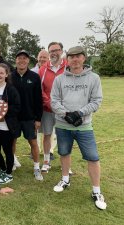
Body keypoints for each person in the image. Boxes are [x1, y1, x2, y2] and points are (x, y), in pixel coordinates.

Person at [51, 46, 106, 210]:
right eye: (71, 56)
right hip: (62, 124)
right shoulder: (59, 79)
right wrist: (67, 114)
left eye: (78, 56)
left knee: (92, 157)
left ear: (84, 58)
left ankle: (96, 191)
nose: (74, 59)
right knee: (64, 153)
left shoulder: (94, 78)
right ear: (67, 59)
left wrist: (79, 113)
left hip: (84, 126)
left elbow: (96, 101)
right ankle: (65, 179)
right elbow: (54, 100)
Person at [11, 50, 43, 181]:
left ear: (28, 61)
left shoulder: (34, 77)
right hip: (14, 117)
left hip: (29, 117)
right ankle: (12, 162)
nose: (22, 60)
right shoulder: (10, 76)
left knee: (33, 142)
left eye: (24, 58)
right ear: (16, 60)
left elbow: (38, 99)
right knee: (12, 141)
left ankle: (36, 167)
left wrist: (38, 118)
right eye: (19, 58)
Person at [38, 42, 68, 173]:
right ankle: (46, 161)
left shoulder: (68, 66)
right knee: (47, 135)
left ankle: (66, 164)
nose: (54, 53)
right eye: (51, 51)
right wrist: (49, 103)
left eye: (56, 50)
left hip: (65, 109)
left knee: (65, 136)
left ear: (61, 51)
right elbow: (40, 89)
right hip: (48, 109)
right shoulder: (43, 69)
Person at [31, 50, 56, 159]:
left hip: (47, 105)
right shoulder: (32, 71)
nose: (42, 59)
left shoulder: (51, 70)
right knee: (34, 129)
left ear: (48, 59)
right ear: (37, 58)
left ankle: (50, 151)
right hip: (35, 105)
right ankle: (35, 149)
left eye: (44, 57)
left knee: (49, 130)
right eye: (40, 57)